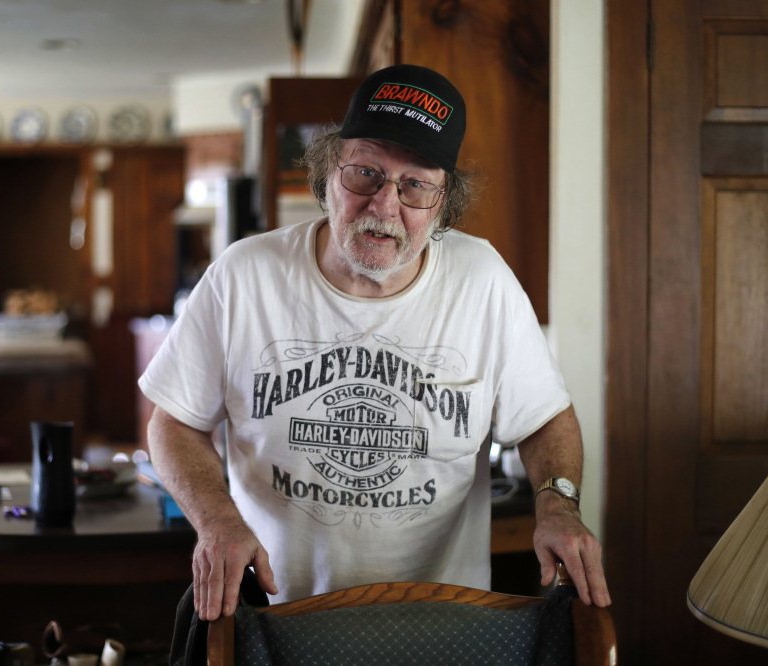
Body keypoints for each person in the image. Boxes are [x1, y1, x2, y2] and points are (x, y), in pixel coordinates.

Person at [140, 64, 610, 623]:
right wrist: (217, 521)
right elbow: (173, 423)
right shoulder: (244, 275)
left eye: (416, 185)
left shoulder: (483, 280)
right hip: (276, 622)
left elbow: (545, 420)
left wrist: (558, 506)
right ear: (327, 174)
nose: (384, 206)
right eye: (365, 173)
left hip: (442, 628)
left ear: (444, 204)